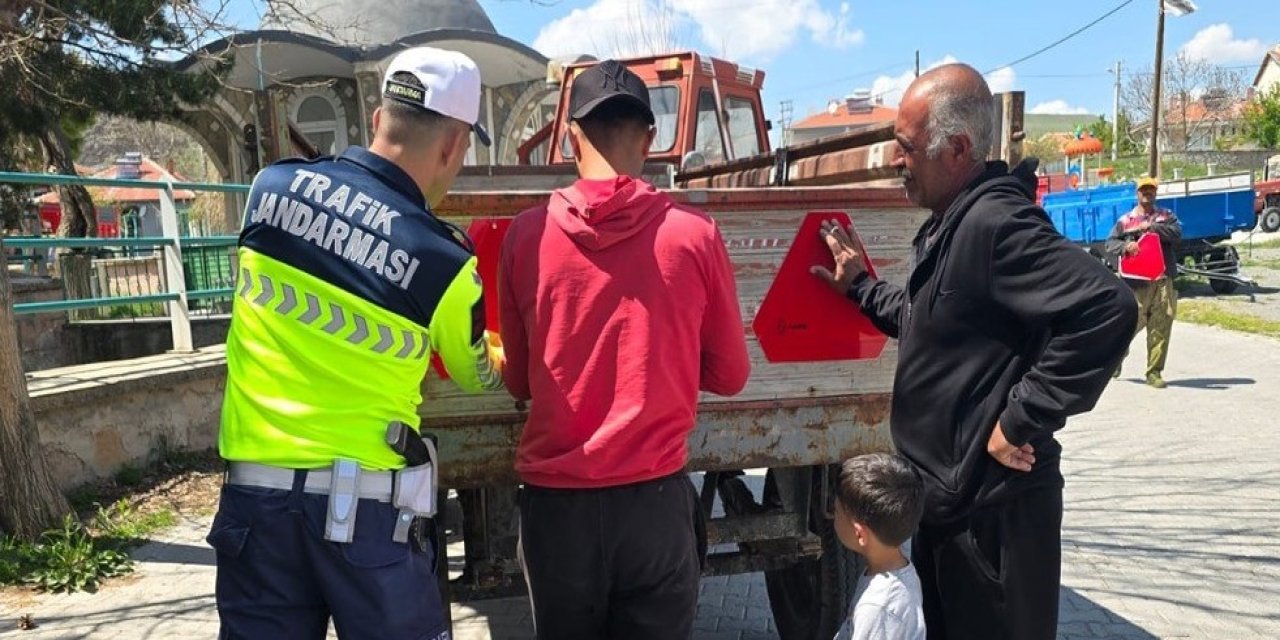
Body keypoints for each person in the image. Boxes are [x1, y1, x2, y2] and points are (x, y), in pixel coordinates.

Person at [811, 63, 1138, 640]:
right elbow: (931, 323)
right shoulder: (952, 224)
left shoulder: (996, 224)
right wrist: (860, 287)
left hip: (995, 519)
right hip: (951, 505)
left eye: (905, 148)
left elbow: (1108, 307)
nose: (895, 160)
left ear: (957, 148)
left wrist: (1020, 419)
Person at [208, 46, 504, 640]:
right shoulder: (443, 260)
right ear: (453, 147)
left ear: (377, 121)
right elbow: (477, 375)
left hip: (254, 508)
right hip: (369, 522)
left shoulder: (270, 189)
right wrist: (496, 349)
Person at [498, 59, 751, 639]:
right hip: (654, 507)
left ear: (569, 138)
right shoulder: (693, 235)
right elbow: (732, 374)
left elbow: (519, 384)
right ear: (651, 140)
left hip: (557, 511)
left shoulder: (526, 236)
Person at [832, 453, 926, 640]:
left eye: (836, 512)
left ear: (860, 534)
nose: (833, 518)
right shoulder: (901, 570)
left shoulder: (878, 608)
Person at [1105, 176, 1182, 388]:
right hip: (1136, 283)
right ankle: (1115, 360)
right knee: (1128, 325)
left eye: (1151, 189)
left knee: (1161, 326)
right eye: (1143, 190)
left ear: (1155, 193)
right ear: (1137, 193)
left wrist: (1154, 228)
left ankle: (1154, 372)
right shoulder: (1126, 220)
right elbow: (1110, 243)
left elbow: (1177, 234)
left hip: (1163, 279)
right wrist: (1125, 248)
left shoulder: (1166, 216)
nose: (1147, 193)